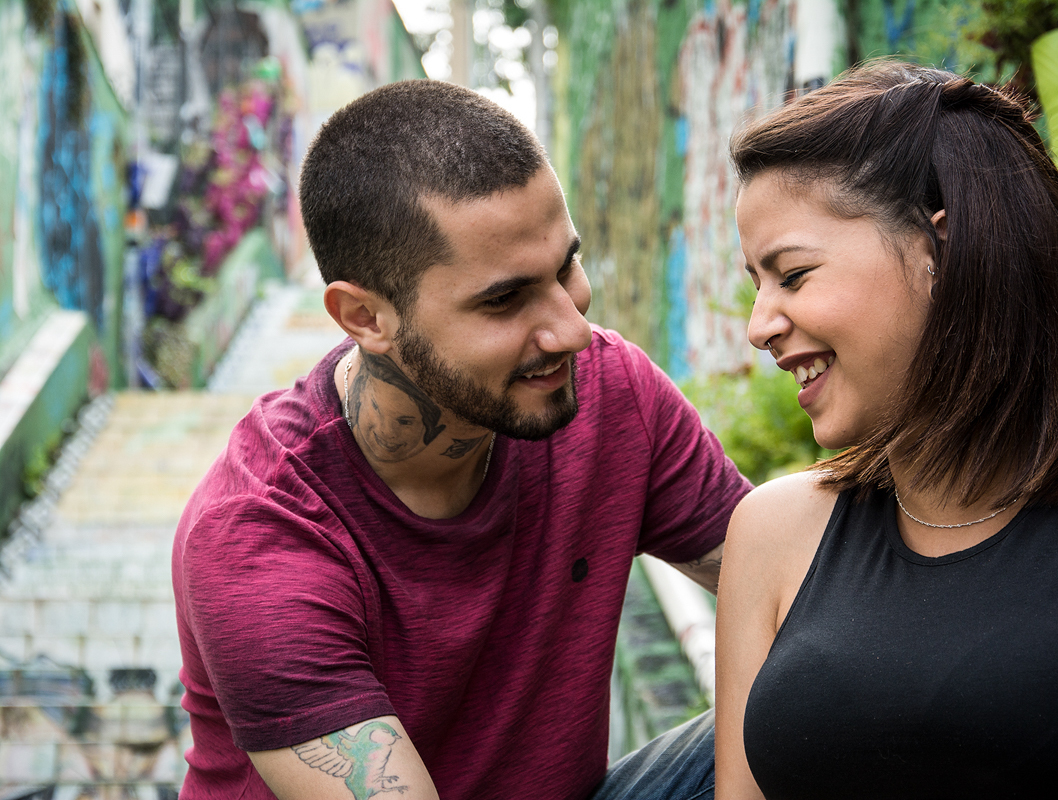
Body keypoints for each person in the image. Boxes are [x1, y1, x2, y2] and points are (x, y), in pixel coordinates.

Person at [172, 80, 751, 800]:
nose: (572, 330)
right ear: (365, 317)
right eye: (504, 300)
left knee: (823, 709)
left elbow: (808, 595)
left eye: (566, 267)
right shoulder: (261, 535)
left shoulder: (610, 392)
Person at [714, 61, 1058, 798]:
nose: (760, 327)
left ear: (940, 250)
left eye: (793, 275)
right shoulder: (772, 533)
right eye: (755, 283)